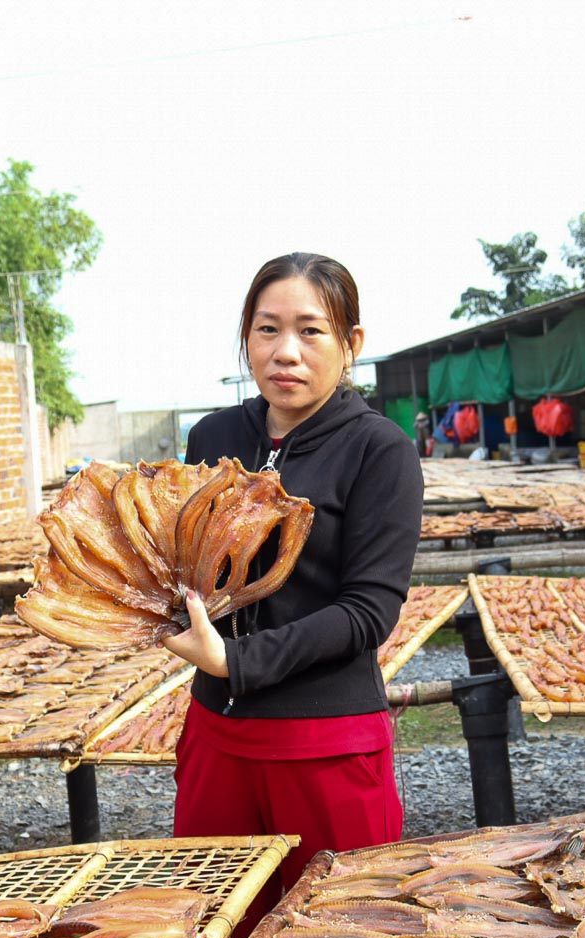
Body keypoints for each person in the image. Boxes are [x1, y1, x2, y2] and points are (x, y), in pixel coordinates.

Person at [161, 252, 422, 901]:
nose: (286, 351)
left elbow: (368, 611)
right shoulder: (213, 437)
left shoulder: (379, 450)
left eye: (311, 330)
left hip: (326, 747)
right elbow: (189, 562)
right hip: (215, 740)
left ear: (350, 343)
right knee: (210, 934)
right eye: (267, 329)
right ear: (246, 336)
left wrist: (233, 659)